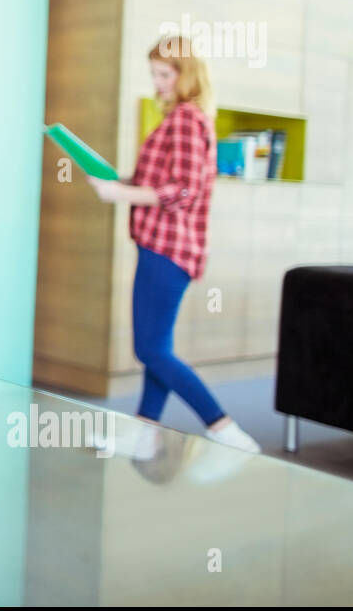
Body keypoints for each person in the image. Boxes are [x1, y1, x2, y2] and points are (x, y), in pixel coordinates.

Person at [86, 35, 260, 457]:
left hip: (168, 247)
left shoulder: (185, 118)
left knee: (151, 349)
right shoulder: (188, 118)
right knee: (156, 345)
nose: (158, 82)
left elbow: (181, 191)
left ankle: (224, 428)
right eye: (154, 74)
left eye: (164, 74)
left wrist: (119, 195)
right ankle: (144, 434)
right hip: (166, 246)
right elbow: (164, 182)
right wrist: (120, 182)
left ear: (187, 75)